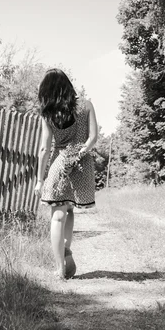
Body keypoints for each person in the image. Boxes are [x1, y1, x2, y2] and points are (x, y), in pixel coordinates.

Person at [34, 68, 98, 280]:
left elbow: (44, 148)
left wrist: (39, 179)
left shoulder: (49, 113)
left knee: (57, 216)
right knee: (69, 210)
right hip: (82, 164)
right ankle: (66, 248)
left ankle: (60, 269)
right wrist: (79, 153)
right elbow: (93, 138)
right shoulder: (86, 105)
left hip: (59, 164)